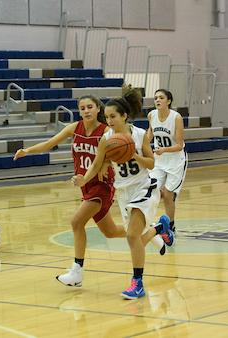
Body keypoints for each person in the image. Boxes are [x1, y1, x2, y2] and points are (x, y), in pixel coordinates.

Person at [13, 95, 165, 287]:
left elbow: (118, 155)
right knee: (111, 232)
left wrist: (109, 163)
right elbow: (52, 143)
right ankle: (155, 231)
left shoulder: (111, 132)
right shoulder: (78, 129)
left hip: (103, 185)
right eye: (82, 107)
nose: (86, 111)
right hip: (89, 185)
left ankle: (77, 271)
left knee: (77, 222)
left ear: (98, 109)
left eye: (90, 107)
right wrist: (27, 151)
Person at [72, 89, 175, 299]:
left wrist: (134, 155)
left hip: (144, 186)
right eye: (107, 117)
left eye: (113, 116)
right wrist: (85, 178)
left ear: (124, 116)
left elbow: (152, 163)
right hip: (124, 191)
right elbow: (96, 164)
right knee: (135, 237)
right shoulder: (106, 139)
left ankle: (137, 283)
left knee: (131, 236)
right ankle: (158, 228)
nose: (109, 121)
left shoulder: (138, 135)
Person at [146, 89, 187, 232]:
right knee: (152, 189)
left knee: (168, 194)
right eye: (156, 98)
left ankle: (171, 226)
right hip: (159, 160)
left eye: (161, 98)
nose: (157, 100)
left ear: (168, 101)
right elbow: (149, 134)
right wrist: (141, 146)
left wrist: (163, 150)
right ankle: (147, 222)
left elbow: (179, 145)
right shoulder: (151, 115)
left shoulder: (176, 117)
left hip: (176, 159)